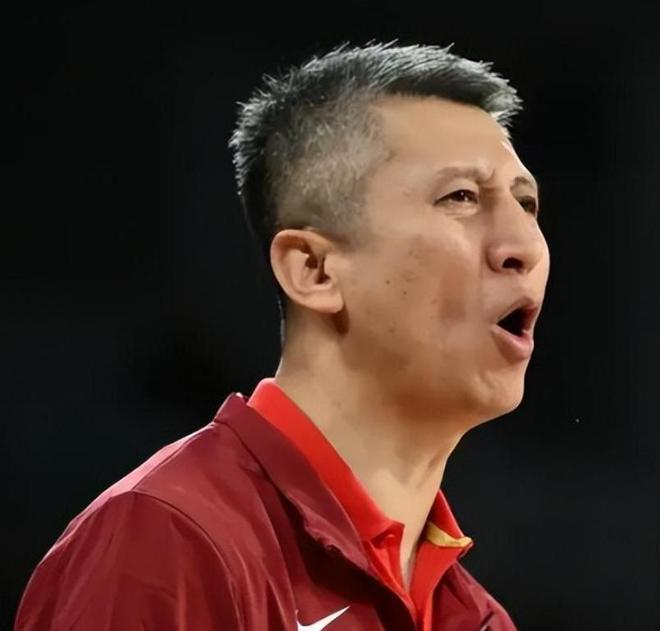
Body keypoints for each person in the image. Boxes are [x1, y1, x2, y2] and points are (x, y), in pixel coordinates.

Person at [15, 42, 550, 630]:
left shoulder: (476, 619)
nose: (524, 246)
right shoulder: (170, 541)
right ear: (314, 271)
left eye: (526, 203)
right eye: (461, 197)